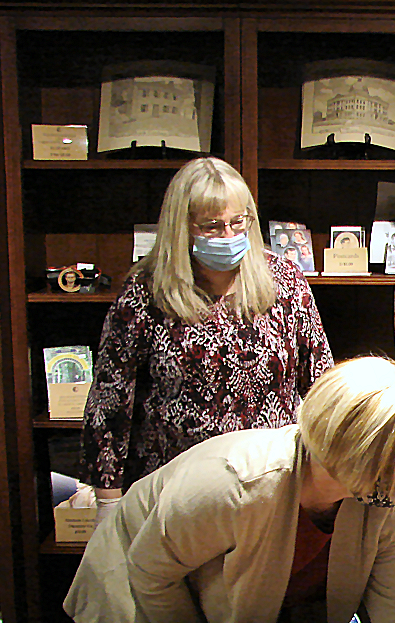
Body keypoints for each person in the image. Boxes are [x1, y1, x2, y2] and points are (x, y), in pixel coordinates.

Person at [64, 357, 395, 623]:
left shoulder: (378, 506)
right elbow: (149, 572)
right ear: (358, 449)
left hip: (227, 608)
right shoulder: (235, 482)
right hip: (135, 585)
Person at [80, 157, 333, 520]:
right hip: (175, 495)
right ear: (182, 228)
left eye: (238, 222)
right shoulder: (146, 292)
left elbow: (321, 383)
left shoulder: (285, 280)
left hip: (270, 488)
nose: (228, 236)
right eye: (212, 226)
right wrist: (108, 502)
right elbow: (111, 400)